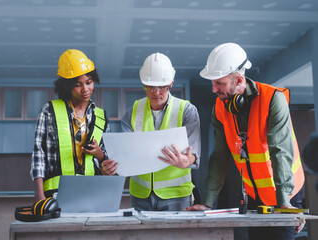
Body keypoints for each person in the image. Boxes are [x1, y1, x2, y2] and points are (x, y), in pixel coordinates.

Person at [186, 43, 306, 239]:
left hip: (285, 192)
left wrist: (284, 203)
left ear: (239, 79)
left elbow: (280, 151)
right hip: (254, 195)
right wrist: (207, 202)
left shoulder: (273, 100)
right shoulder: (221, 107)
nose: (214, 89)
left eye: (220, 83)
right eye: (213, 83)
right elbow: (219, 156)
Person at [105, 52, 201, 211]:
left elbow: (193, 153)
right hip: (140, 195)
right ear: (143, 84)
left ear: (171, 83)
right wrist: (114, 165)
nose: (156, 92)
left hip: (176, 195)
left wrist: (187, 161)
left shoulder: (187, 111)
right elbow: (126, 154)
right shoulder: (131, 113)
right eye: (150, 86)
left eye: (162, 86)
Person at [30, 49, 117, 201]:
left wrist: (99, 154)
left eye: (89, 82)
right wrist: (39, 195)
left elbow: (106, 164)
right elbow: (39, 155)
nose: (85, 89)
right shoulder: (49, 111)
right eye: (78, 85)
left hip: (93, 193)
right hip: (56, 195)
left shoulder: (101, 117)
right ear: (66, 86)